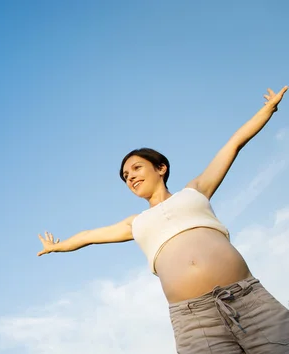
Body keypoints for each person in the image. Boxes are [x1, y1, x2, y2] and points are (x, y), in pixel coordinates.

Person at [36, 86, 289, 353]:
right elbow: (88, 237)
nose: (130, 177)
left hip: (248, 301)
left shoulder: (195, 191)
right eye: (125, 176)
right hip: (195, 321)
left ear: (160, 168)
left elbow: (233, 144)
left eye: (136, 168)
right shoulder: (136, 223)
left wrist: (267, 109)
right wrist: (57, 246)